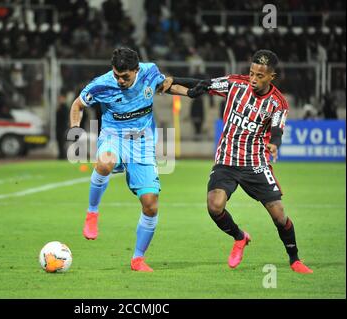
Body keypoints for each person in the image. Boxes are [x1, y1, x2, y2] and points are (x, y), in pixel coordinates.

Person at [164, 49, 313, 274]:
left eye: (260, 76)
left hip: (255, 163)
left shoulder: (278, 103)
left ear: (271, 76)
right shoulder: (235, 84)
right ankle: (239, 237)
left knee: (279, 216)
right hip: (226, 160)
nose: (253, 79)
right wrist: (173, 80)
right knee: (214, 206)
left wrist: (274, 144)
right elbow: (203, 84)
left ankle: (295, 260)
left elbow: (277, 131)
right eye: (252, 73)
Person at [68, 47, 182, 272]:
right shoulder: (101, 84)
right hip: (114, 136)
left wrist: (191, 90)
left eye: (125, 77)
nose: (120, 80)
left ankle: (138, 259)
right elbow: (77, 105)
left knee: (150, 205)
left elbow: (165, 86)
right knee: (105, 162)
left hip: (143, 143)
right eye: (116, 75)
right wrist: (75, 129)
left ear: (136, 70)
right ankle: (92, 212)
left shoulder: (150, 72)